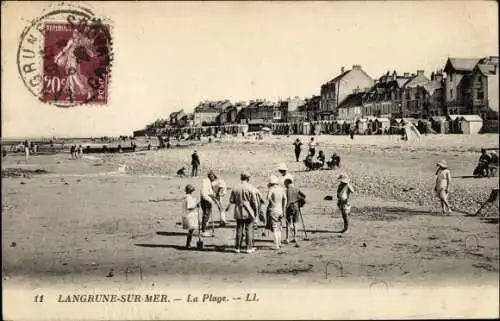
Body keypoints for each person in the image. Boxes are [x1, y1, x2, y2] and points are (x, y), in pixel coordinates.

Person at [54, 28, 97, 100]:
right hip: (69, 61)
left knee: (76, 77)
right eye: (74, 33)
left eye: (77, 33)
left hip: (75, 62)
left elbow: (87, 50)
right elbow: (65, 49)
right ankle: (72, 95)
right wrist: (57, 57)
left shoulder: (82, 42)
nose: (75, 34)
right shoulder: (71, 41)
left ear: (80, 34)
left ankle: (88, 91)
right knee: (70, 78)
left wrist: (91, 53)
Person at [225, 172, 260, 254]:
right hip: (248, 211)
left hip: (238, 210)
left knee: (239, 229)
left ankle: (237, 247)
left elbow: (232, 201)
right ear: (248, 178)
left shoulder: (235, 187)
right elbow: (254, 203)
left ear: (241, 178)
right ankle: (249, 248)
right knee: (248, 230)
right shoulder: (250, 188)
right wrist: (256, 213)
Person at [266, 175, 287, 250]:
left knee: (274, 227)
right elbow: (285, 199)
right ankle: (279, 242)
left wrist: (272, 202)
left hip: (273, 209)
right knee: (279, 226)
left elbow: (268, 197)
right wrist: (284, 209)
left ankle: (276, 244)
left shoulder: (271, 189)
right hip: (280, 209)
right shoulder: (282, 189)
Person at [284, 178, 306, 246]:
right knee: (295, 222)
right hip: (296, 207)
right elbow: (304, 196)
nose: (284, 185)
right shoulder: (296, 189)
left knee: (288, 223)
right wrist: (299, 202)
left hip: (289, 207)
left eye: (285, 183)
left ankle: (287, 238)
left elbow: (285, 200)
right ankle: (295, 237)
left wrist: (284, 210)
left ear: (287, 183)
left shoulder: (286, 190)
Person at [200, 170, 218, 236]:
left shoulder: (204, 181)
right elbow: (211, 193)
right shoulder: (208, 182)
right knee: (206, 215)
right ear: (211, 176)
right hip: (207, 199)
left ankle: (203, 229)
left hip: (202, 199)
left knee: (205, 214)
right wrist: (214, 199)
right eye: (213, 177)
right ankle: (203, 231)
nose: (213, 179)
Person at [182, 184, 199, 249]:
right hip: (189, 216)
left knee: (191, 231)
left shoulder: (185, 197)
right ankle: (188, 244)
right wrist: (196, 205)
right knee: (191, 231)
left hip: (186, 215)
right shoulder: (188, 198)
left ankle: (188, 244)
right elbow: (189, 208)